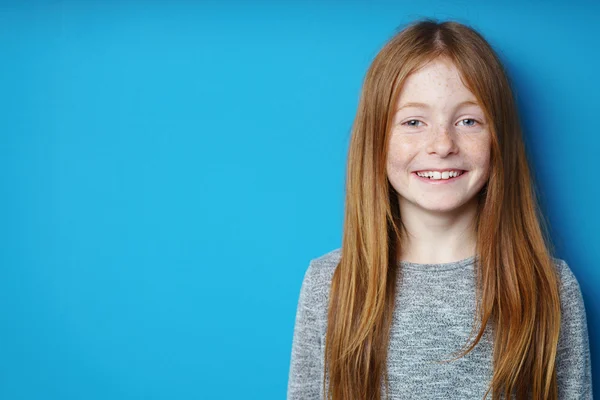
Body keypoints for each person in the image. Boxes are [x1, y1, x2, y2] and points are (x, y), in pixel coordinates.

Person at [287, 19, 593, 400]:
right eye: (414, 121)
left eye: (468, 120)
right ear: (376, 139)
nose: (442, 144)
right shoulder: (329, 283)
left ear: (499, 140)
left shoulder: (551, 287)